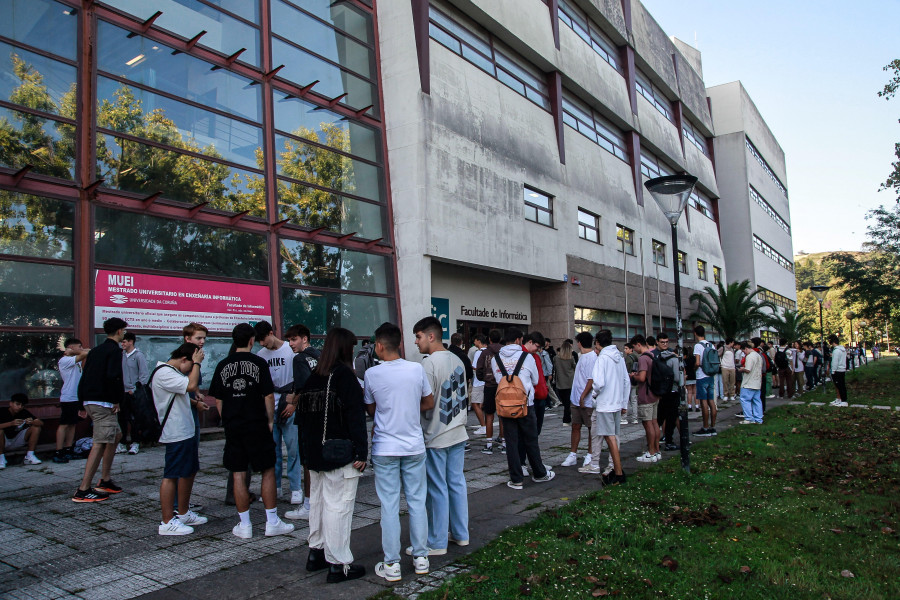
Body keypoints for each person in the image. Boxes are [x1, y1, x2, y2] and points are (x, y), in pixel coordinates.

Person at [208, 323, 295, 539]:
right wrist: (269, 420)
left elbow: (218, 399)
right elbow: (267, 395)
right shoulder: (259, 362)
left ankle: (245, 525)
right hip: (256, 422)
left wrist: (226, 418)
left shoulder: (222, 365)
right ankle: (272, 520)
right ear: (250, 341)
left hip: (234, 425)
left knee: (238, 473)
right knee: (267, 470)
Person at [295, 327, 367, 584]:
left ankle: (316, 552)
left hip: (315, 454)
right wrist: (362, 450)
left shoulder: (314, 376)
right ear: (345, 348)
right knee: (339, 506)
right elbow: (355, 416)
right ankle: (339, 564)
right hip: (340, 453)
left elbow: (301, 421)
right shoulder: (344, 375)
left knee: (318, 503)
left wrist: (305, 455)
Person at [365, 322, 434, 582]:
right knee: (417, 502)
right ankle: (420, 557)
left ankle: (392, 563)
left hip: (385, 447)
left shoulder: (372, 374)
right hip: (414, 445)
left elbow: (370, 408)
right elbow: (429, 401)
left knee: (389, 505)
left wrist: (388, 411)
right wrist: (408, 408)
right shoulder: (416, 369)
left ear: (380, 346)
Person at [413, 317, 469, 557]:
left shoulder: (428, 364)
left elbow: (426, 403)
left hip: (436, 434)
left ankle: (436, 542)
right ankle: (461, 534)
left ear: (430, 336)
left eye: (418, 336)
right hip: (458, 430)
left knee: (436, 488)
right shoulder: (457, 359)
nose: (416, 342)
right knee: (456, 484)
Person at [490, 326, 555, 490]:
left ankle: (516, 479)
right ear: (519, 340)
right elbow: (534, 380)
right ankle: (539, 474)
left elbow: (499, 380)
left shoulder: (495, 359)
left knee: (511, 442)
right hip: (526, 404)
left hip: (505, 406)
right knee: (530, 439)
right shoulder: (527, 357)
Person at [153, 342, 208, 535]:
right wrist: (198, 363)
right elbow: (191, 385)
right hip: (175, 432)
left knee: (188, 471)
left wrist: (195, 403)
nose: (191, 370)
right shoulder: (164, 372)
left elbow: (180, 394)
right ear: (184, 359)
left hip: (186, 430)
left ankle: (183, 513)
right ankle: (167, 521)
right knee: (172, 474)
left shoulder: (174, 373)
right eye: (190, 366)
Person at [73, 317, 128, 503]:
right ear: (119, 331)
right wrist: (117, 400)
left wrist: (81, 402)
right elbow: (114, 376)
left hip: (91, 399)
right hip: (103, 402)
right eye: (124, 331)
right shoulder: (114, 351)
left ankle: (105, 480)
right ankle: (83, 489)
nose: (125, 334)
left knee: (116, 435)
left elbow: (85, 375)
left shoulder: (96, 350)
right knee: (100, 442)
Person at [254, 321, 303, 507]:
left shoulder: (289, 351)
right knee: (272, 451)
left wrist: (294, 403)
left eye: (263, 339)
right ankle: (275, 487)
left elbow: (299, 379)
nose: (262, 344)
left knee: (293, 449)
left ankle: (296, 488)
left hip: (289, 402)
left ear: (271, 333)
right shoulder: (261, 355)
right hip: (269, 406)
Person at [584, 330, 629, 483]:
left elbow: (598, 383)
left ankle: (618, 473)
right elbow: (626, 381)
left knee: (609, 438)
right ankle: (616, 470)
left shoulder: (602, 358)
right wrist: (623, 403)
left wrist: (595, 395)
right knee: (614, 437)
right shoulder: (619, 357)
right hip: (616, 403)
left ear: (597, 343)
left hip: (605, 404)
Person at [284, 323, 319, 519]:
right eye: (289, 340)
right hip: (323, 412)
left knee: (306, 461)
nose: (290, 344)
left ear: (304, 338)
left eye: (293, 339)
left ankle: (308, 505)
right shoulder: (320, 355)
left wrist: (293, 399)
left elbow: (304, 386)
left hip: (307, 414)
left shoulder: (299, 359)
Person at [561, 332, 596, 468]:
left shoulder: (592, 357)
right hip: (576, 399)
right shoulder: (582, 356)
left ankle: (590, 454)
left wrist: (583, 396)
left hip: (586, 400)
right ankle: (573, 454)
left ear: (580, 343)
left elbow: (591, 379)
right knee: (575, 426)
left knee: (590, 428)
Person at [53, 339, 89, 464]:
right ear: (71, 347)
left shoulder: (75, 359)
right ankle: (59, 451)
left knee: (72, 424)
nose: (81, 348)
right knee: (64, 424)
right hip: (68, 397)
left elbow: (85, 352)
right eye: (79, 346)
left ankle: (68, 448)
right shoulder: (65, 360)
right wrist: (75, 352)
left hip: (76, 397)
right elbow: (86, 353)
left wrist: (77, 351)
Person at [630, 335, 660, 462]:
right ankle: (657, 451)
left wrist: (633, 375)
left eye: (634, 347)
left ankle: (651, 452)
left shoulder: (643, 358)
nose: (634, 350)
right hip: (654, 393)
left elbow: (642, 378)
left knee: (648, 424)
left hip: (646, 394)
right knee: (654, 423)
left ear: (638, 344)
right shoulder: (653, 355)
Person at [119, 332, 149, 455]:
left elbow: (144, 374)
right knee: (122, 418)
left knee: (135, 419)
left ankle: (135, 442)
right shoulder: (122, 355)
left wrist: (136, 389)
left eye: (124, 342)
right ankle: (121, 443)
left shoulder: (138, 356)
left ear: (131, 342)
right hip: (123, 392)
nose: (122, 344)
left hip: (133, 393)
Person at [475, 329, 503, 454]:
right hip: (502, 386)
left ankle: (489, 443)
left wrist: (483, 378)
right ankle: (504, 442)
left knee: (489, 415)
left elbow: (479, 369)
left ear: (490, 339)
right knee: (502, 415)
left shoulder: (485, 352)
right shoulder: (504, 351)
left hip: (489, 386)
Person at [654, 333, 683, 451]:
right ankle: (669, 441)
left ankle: (653, 442)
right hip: (672, 390)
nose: (665, 344)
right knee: (670, 417)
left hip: (659, 391)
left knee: (659, 418)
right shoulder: (673, 357)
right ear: (657, 342)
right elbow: (677, 377)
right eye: (662, 342)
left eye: (666, 342)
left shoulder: (654, 356)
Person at [0, 393, 44, 468]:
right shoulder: (2, 411)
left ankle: (29, 456)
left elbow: (41, 423)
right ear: (11, 403)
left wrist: (32, 421)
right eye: (17, 404)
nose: (20, 407)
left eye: (22, 405)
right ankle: (1, 459)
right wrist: (11, 423)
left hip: (17, 441)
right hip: (4, 442)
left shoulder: (24, 412)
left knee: (36, 427)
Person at [693, 326, 718, 436]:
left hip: (701, 376)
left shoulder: (698, 346)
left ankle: (705, 427)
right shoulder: (711, 345)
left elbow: (698, 362)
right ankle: (713, 426)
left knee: (703, 402)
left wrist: (693, 368)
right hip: (710, 375)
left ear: (695, 333)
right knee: (711, 401)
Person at [738, 340, 764, 424]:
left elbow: (748, 369)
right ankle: (758, 418)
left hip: (748, 383)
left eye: (743, 351)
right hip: (757, 382)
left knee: (745, 400)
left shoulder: (749, 357)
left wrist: (742, 369)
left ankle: (749, 418)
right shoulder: (758, 355)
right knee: (757, 401)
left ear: (746, 348)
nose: (744, 353)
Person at [552, 339, 576, 425]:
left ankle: (566, 419)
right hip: (570, 381)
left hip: (560, 383)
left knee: (564, 401)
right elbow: (575, 368)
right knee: (568, 402)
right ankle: (567, 419)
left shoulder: (556, 359)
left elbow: (555, 370)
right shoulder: (571, 358)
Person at [469, 334, 487, 435]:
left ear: (478, 341)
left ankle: (483, 426)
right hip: (488, 381)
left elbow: (475, 366)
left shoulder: (478, 353)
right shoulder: (489, 352)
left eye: (475, 340)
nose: (474, 342)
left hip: (479, 381)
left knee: (475, 403)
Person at [829, 335, 848, 407]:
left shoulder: (836, 351)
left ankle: (844, 401)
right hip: (842, 369)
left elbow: (835, 362)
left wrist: (833, 371)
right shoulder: (842, 350)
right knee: (840, 385)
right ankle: (839, 399)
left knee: (840, 386)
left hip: (837, 370)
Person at [622, 343, 638, 425]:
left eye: (626, 348)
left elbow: (625, 370)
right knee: (634, 400)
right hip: (635, 381)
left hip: (628, 381)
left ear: (631, 349)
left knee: (626, 400)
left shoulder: (628, 358)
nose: (625, 350)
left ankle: (624, 418)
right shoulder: (636, 357)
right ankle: (635, 418)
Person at [720, 338, 736, 403]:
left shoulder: (732, 349)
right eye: (733, 342)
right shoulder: (722, 348)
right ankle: (725, 394)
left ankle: (732, 394)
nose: (733, 344)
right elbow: (717, 354)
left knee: (732, 382)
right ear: (730, 342)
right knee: (725, 381)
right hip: (725, 367)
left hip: (732, 367)